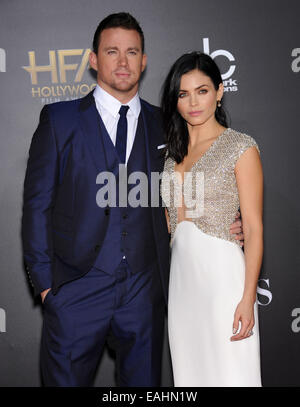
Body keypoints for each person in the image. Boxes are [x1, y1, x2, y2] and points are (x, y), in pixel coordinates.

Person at [22, 13, 243, 387]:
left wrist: (225, 223)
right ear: (94, 60)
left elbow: (193, 185)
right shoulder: (60, 122)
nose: (123, 62)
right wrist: (46, 286)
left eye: (132, 52)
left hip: (144, 293)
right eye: (112, 52)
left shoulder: (167, 124)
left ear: (144, 61)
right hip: (76, 291)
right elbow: (36, 206)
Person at [160, 52, 263, 387]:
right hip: (182, 285)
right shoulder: (170, 156)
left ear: (219, 92)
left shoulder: (240, 147)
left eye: (202, 91)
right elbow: (169, 225)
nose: (193, 102)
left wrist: (247, 298)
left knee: (232, 375)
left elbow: (253, 228)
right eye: (184, 93)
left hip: (224, 282)